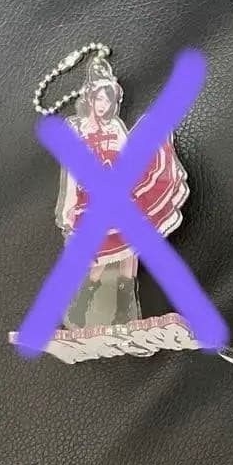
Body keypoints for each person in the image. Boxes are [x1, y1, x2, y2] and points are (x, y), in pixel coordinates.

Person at [56, 56, 188, 328]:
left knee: (131, 247)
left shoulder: (115, 127)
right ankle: (82, 306)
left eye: (108, 100)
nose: (103, 105)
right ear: (90, 99)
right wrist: (68, 208)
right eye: (99, 99)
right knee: (98, 252)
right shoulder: (77, 129)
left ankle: (123, 310)